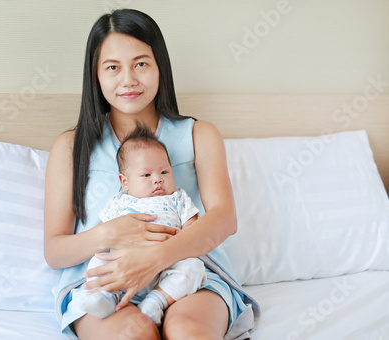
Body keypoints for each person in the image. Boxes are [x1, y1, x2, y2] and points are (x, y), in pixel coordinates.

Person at [44, 8, 260, 340]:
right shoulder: (71, 147)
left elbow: (224, 219)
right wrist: (110, 234)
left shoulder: (199, 134)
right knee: (135, 333)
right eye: (112, 67)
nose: (128, 80)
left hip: (191, 273)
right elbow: (55, 251)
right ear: (96, 75)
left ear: (160, 66)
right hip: (106, 280)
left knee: (188, 331)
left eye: (141, 64)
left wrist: (156, 257)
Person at [75, 124, 207, 326]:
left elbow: (194, 231)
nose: (158, 180)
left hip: (166, 266)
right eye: (147, 175)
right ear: (125, 182)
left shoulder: (177, 197)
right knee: (98, 260)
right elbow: (101, 235)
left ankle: (156, 301)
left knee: (195, 267)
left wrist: (177, 244)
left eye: (164, 172)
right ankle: (106, 297)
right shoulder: (119, 202)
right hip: (123, 266)